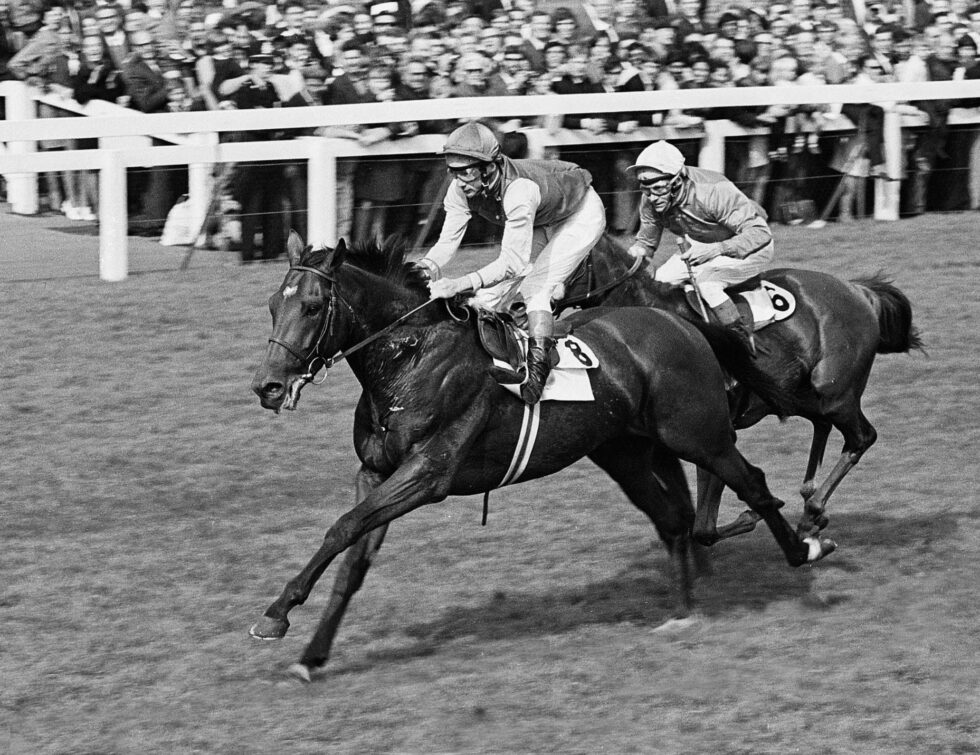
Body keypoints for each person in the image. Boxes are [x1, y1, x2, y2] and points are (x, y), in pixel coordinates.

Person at [422, 122, 606, 404]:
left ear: (488, 167)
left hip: (579, 213)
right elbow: (447, 244)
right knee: (488, 297)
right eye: (453, 171)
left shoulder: (519, 191)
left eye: (466, 171)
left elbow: (513, 264)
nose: (458, 180)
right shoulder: (459, 190)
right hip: (544, 215)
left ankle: (536, 378)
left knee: (535, 289)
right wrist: (425, 267)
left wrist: (459, 283)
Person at [625, 140, 773, 354]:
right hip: (702, 244)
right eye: (645, 189)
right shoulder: (650, 199)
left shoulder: (714, 191)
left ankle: (740, 342)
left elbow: (760, 234)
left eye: (658, 189)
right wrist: (633, 256)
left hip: (751, 247)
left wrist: (715, 250)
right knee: (656, 286)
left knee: (707, 283)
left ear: (677, 181)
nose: (651, 197)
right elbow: (646, 243)